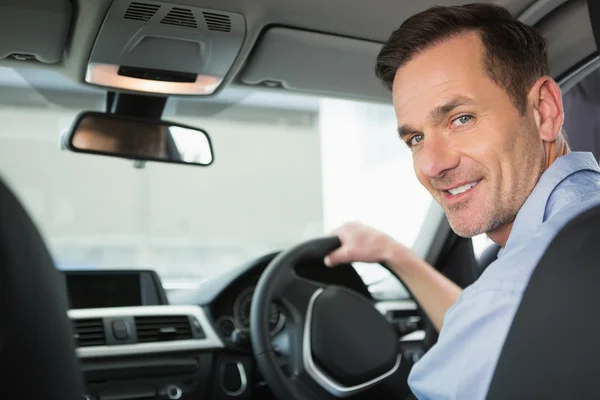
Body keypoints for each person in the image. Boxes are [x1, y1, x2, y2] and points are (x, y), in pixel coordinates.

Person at [324, 3, 600, 399]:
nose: (433, 165)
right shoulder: (583, 213)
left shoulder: (514, 290)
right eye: (416, 138)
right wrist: (391, 253)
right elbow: (489, 326)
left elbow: (499, 309)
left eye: (461, 119)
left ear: (544, 111)